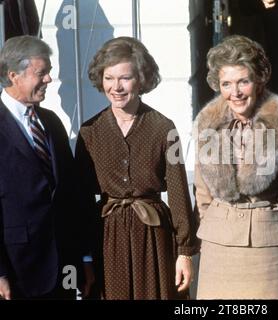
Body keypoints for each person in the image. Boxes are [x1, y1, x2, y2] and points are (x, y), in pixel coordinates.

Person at [75, 36, 197, 300]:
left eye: (125, 78)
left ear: (141, 79)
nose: (116, 87)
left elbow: (178, 195)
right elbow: (80, 202)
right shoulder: (89, 132)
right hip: (106, 239)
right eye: (109, 78)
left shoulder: (165, 128)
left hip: (153, 237)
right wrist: (84, 256)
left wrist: (184, 252)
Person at [193, 35, 278, 299]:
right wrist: (215, 224)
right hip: (218, 245)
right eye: (227, 84)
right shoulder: (208, 125)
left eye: (243, 81)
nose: (236, 92)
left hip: (267, 245)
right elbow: (202, 193)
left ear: (259, 80)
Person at [0, 35, 95, 299]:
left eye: (49, 72)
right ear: (13, 75)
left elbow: (73, 197)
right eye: (41, 73)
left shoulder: (52, 122)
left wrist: (85, 258)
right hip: (18, 271)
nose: (49, 80)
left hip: (64, 268)